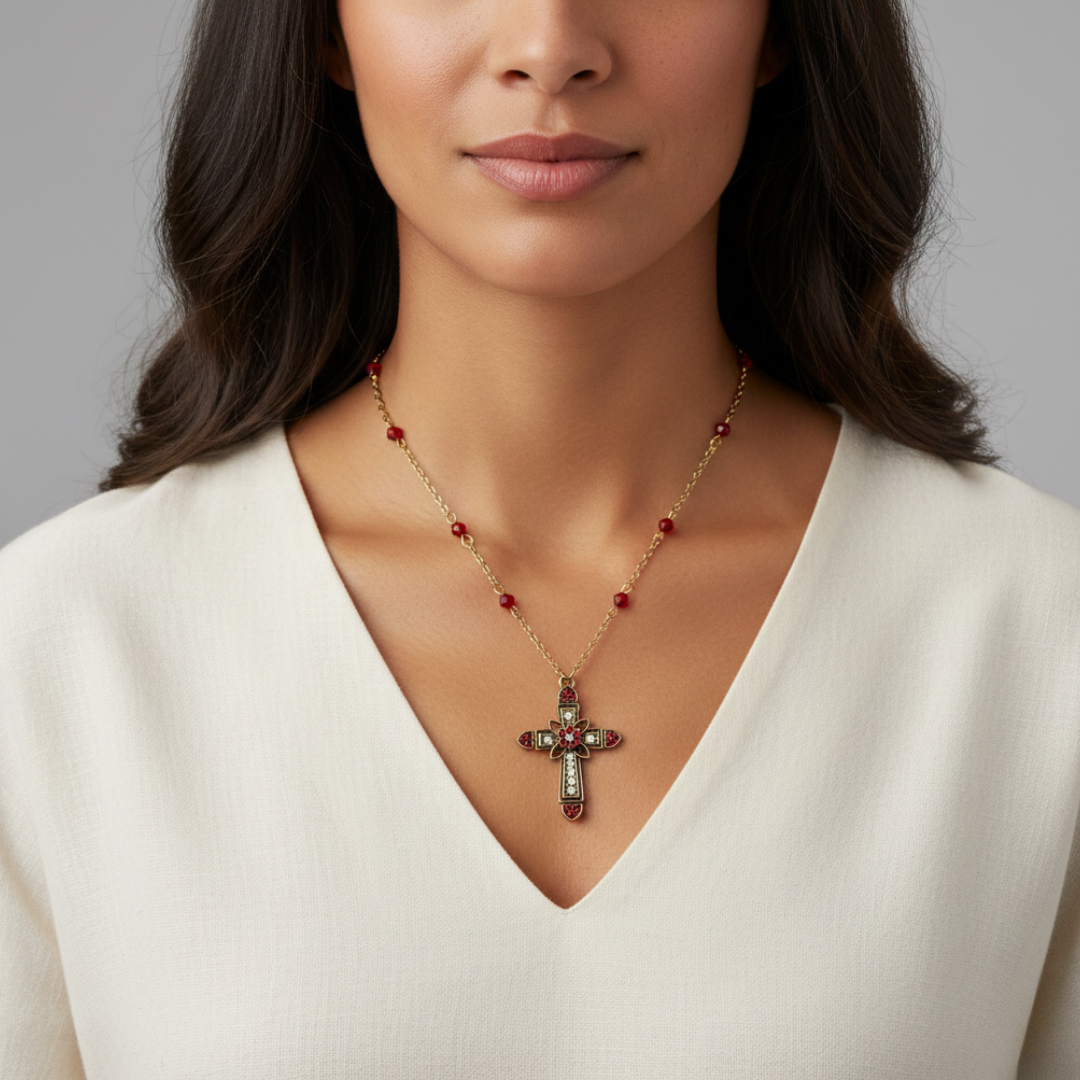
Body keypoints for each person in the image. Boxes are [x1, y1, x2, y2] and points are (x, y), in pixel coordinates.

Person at [1, 0, 1077, 1074]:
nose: (550, 48)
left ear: (784, 28)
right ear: (324, 30)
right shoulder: (61, 648)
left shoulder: (1034, 631)